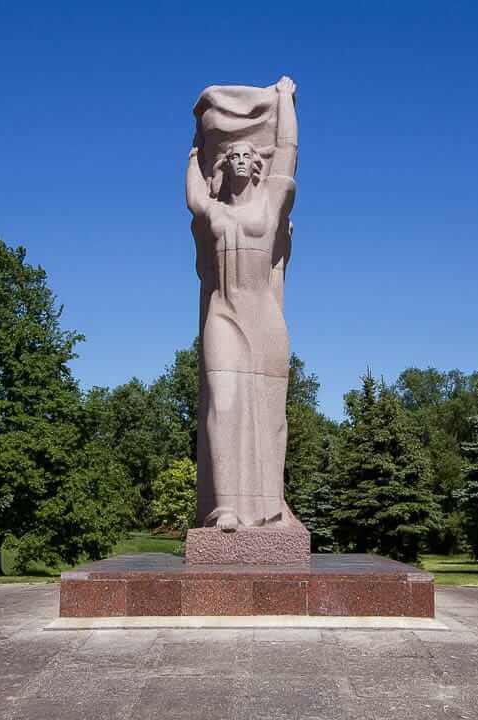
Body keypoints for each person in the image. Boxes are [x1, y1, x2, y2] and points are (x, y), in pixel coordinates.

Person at [186, 76, 299, 531]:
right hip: (224, 316)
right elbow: (194, 195)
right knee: (223, 403)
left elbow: (286, 153)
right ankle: (225, 508)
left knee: (271, 416)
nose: (238, 156)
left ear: (256, 166)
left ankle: (270, 506)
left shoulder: (270, 207)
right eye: (230, 154)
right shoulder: (216, 213)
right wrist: (196, 149)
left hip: (265, 319)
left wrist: (285, 100)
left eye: (246, 154)